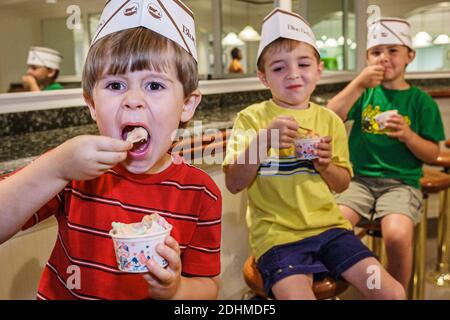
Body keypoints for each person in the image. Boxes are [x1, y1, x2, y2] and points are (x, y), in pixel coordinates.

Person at [0, 0, 221, 300]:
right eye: (115, 85)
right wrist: (57, 167)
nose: (133, 99)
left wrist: (176, 289)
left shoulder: (200, 193)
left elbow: (207, 287)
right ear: (92, 104)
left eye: (154, 86)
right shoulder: (72, 170)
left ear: (187, 104)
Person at [223, 8, 405, 300]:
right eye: (279, 68)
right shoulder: (252, 119)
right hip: (278, 238)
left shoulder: (330, 120)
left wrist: (324, 165)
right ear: (263, 77)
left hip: (332, 231)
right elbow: (234, 182)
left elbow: (342, 184)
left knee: (391, 291)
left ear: (318, 69)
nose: (293, 74)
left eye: (303, 64)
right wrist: (264, 139)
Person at [328, 17, 445, 290]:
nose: (384, 58)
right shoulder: (365, 94)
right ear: (367, 57)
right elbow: (331, 115)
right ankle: (364, 281)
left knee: (396, 234)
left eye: (393, 50)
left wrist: (408, 135)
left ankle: (394, 293)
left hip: (401, 183)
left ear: (410, 56)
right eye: (376, 52)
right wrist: (358, 83)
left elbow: (432, 153)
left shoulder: (421, 102)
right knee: (335, 225)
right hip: (357, 180)